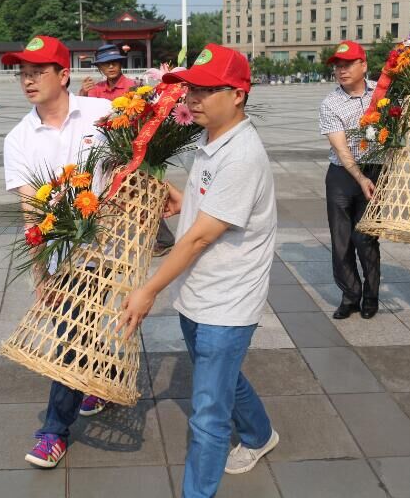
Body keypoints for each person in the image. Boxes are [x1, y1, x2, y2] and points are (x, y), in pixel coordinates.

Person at [117, 43, 279, 498]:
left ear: (239, 94)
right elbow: (214, 210)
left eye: (207, 90)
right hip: (199, 293)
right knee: (223, 379)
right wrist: (183, 199)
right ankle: (260, 435)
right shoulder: (212, 141)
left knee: (208, 414)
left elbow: (199, 238)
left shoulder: (241, 155)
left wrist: (148, 289)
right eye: (192, 89)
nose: (193, 98)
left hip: (227, 302)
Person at [1, 35, 114, 468]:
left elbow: (133, 163)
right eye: (23, 73)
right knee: (73, 333)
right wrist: (39, 273)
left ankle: (70, 410)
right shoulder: (18, 138)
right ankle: (70, 411)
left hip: (109, 247)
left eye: (38, 72)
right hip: (59, 253)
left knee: (83, 327)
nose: (28, 81)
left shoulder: (101, 114)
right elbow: (31, 210)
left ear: (63, 75)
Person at [79, 43, 176, 256]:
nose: (111, 67)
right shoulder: (94, 91)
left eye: (114, 62)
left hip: (134, 148)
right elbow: (85, 117)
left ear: (121, 64)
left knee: (142, 192)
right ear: (99, 68)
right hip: (107, 150)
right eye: (105, 64)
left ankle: (162, 238)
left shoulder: (134, 86)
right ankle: (118, 239)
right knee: (114, 193)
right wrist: (82, 93)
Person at [318, 41, 383, 320]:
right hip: (342, 176)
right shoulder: (331, 103)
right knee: (342, 239)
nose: (341, 70)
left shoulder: (383, 92)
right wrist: (359, 177)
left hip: (376, 172)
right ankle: (350, 296)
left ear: (363, 65)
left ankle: (371, 296)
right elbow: (341, 149)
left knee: (365, 238)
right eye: (337, 66)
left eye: (347, 64)